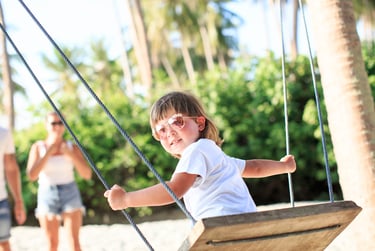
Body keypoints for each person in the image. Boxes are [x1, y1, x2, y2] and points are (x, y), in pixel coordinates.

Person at [104, 91, 296, 221]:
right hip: (246, 221)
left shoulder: (196, 151)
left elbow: (174, 190)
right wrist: (284, 167)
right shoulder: (214, 155)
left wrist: (127, 199)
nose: (169, 132)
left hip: (220, 224)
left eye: (176, 121)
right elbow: (255, 167)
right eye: (160, 130)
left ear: (200, 123)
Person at [26, 112, 92, 251]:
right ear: (46, 125)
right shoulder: (38, 147)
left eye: (60, 123)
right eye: (53, 123)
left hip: (70, 191)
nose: (57, 126)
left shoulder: (71, 147)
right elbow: (31, 176)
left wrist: (70, 154)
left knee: (75, 243)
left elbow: (87, 174)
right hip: (47, 192)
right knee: (52, 244)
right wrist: (48, 153)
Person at [0, 126, 27, 251]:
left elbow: (11, 168)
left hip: (0, 199)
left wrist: (18, 201)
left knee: (3, 243)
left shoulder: (4, 133)